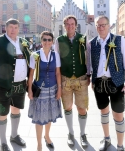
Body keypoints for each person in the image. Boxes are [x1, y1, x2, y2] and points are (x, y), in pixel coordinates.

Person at [0, 18, 32, 151]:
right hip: (3, 85)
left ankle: (14, 135)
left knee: (16, 110)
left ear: (19, 29)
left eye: (16, 28)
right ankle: (3, 142)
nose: (13, 30)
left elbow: (30, 61)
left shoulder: (23, 42)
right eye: (11, 27)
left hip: (20, 85)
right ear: (6, 27)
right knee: (3, 113)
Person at [87, 15, 125, 151]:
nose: (100, 28)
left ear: (108, 26)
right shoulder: (92, 43)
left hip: (116, 82)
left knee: (118, 114)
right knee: (103, 111)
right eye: (98, 25)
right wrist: (91, 79)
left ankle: (120, 146)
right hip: (99, 83)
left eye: (103, 25)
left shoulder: (119, 40)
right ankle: (106, 139)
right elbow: (90, 64)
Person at [54, 15, 90, 148]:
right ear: (64, 26)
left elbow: (88, 57)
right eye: (67, 24)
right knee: (67, 107)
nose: (70, 26)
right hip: (65, 79)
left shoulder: (83, 39)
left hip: (81, 78)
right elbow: (57, 61)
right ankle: (70, 133)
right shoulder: (59, 40)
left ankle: (82, 134)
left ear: (76, 25)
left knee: (81, 108)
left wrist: (89, 74)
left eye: (72, 24)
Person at [28, 31, 62, 151]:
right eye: (44, 40)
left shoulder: (56, 55)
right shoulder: (35, 55)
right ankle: (39, 144)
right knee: (39, 118)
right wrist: (29, 90)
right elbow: (31, 75)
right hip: (40, 90)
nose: (47, 42)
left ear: (52, 42)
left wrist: (59, 89)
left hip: (52, 89)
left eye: (49, 40)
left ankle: (47, 136)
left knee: (48, 115)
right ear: (41, 41)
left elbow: (58, 73)